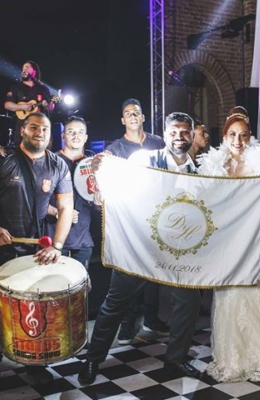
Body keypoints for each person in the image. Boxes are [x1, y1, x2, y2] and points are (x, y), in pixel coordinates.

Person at [78, 112, 202, 385]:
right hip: (139, 247)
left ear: (193, 135)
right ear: (165, 134)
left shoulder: (202, 171)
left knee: (188, 301)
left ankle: (175, 359)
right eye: (173, 132)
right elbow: (116, 180)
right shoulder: (144, 159)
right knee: (115, 303)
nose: (179, 137)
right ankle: (93, 359)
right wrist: (102, 168)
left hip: (176, 252)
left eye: (184, 132)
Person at [0, 112, 74, 388]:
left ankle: (34, 362)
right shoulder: (3, 160)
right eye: (34, 127)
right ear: (23, 130)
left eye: (46, 128)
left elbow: (65, 208)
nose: (40, 132)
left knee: (33, 311)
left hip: (33, 253)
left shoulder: (57, 166)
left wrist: (58, 246)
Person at [197, 106, 260, 383]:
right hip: (227, 241)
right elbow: (208, 205)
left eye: (243, 135)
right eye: (232, 134)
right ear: (225, 136)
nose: (238, 141)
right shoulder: (214, 167)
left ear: (250, 136)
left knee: (257, 291)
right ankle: (233, 357)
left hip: (256, 239)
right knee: (229, 295)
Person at [105, 98, 168, 345]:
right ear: (123, 120)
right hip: (129, 220)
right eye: (128, 113)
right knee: (129, 271)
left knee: (153, 272)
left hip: (156, 217)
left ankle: (152, 319)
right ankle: (127, 324)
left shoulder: (158, 143)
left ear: (143, 117)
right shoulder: (116, 148)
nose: (132, 115)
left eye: (137, 112)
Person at [46, 116, 94, 267]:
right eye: (71, 131)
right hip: (53, 241)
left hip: (83, 243)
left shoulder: (93, 165)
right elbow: (34, 198)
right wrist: (56, 211)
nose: (76, 135)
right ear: (63, 135)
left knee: (80, 290)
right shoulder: (50, 161)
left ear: (86, 137)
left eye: (80, 132)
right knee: (53, 288)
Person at [4, 61, 55, 145]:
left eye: (27, 67)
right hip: (22, 128)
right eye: (23, 68)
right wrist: (23, 107)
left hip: (39, 128)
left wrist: (48, 105)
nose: (24, 70)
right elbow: (7, 105)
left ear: (34, 71)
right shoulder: (16, 88)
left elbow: (51, 108)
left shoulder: (43, 89)